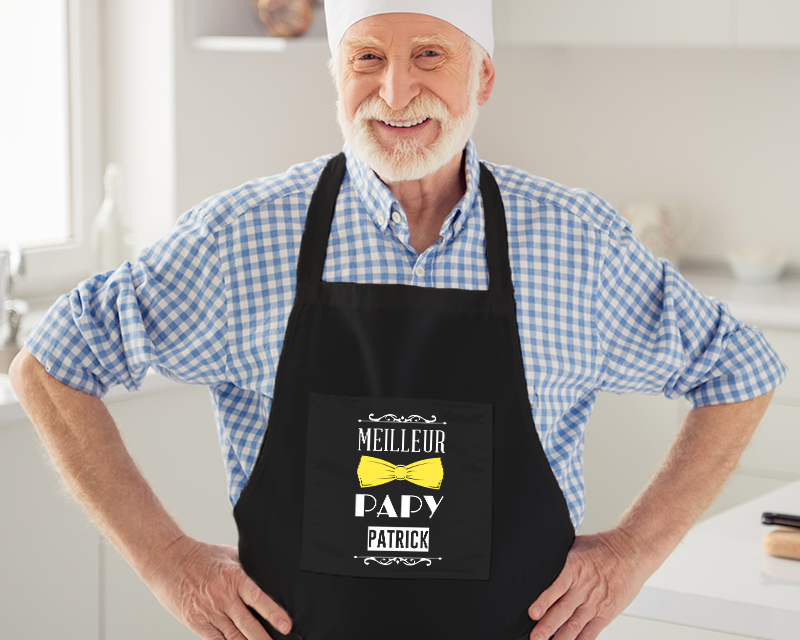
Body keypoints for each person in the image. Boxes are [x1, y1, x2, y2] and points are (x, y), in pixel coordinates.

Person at [10, 2, 787, 639]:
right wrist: (167, 562)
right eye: (367, 59)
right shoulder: (242, 236)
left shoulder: (572, 241)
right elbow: (48, 367)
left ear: (482, 75)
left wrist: (632, 553)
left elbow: (739, 371)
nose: (394, 94)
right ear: (335, 77)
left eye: (429, 57)